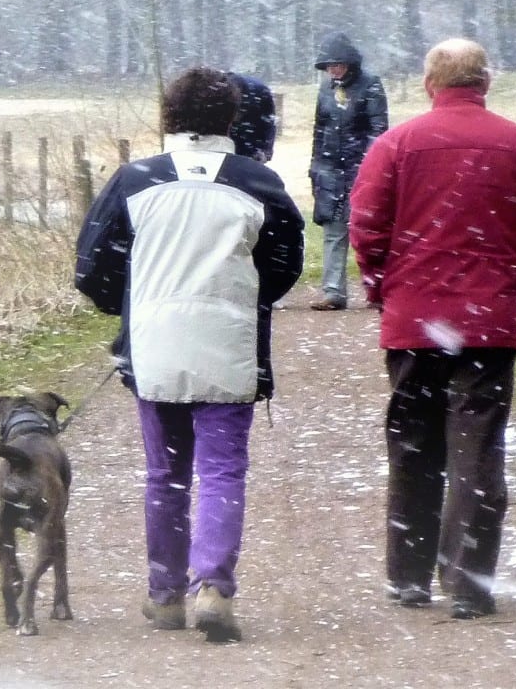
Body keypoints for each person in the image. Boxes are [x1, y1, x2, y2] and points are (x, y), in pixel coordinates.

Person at [74, 67, 304, 641]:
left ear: (167, 116)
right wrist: (243, 297)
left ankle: (166, 592)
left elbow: (92, 267)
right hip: (229, 345)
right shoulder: (260, 183)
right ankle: (216, 587)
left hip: (154, 345)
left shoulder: (134, 180)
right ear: (231, 119)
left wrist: (129, 302)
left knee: (165, 473)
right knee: (223, 470)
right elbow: (284, 266)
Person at [348, 38, 516, 620]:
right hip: (487, 323)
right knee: (478, 450)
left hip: (414, 320)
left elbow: (366, 226)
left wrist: (382, 285)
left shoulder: (395, 145)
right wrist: (506, 277)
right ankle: (468, 583)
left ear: (429, 85)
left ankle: (410, 576)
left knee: (414, 445)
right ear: (485, 83)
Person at [310, 31, 388, 310]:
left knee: (368, 231)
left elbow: (378, 131)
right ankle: (333, 293)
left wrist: (369, 167)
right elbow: (320, 130)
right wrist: (316, 167)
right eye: (329, 66)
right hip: (329, 171)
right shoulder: (325, 89)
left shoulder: (371, 86)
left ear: (350, 63)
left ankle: (377, 289)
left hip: (361, 169)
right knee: (333, 230)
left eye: (338, 64)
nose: (333, 69)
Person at [228, 72, 278, 163]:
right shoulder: (216, 91)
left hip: (251, 140)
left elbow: (269, 122)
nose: (236, 116)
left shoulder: (260, 92)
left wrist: (265, 151)